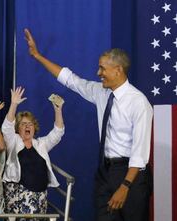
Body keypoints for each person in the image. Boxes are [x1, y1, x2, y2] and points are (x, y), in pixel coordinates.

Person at [24, 29, 152, 220]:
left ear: (118, 70)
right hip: (105, 173)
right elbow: (71, 80)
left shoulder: (138, 103)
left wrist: (125, 187)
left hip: (130, 176)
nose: (97, 73)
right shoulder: (101, 92)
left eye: (102, 69)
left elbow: (140, 154)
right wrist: (37, 56)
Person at [1, 87, 65, 216]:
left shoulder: (41, 144)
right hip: (18, 194)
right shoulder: (13, 141)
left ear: (34, 128)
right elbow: (7, 127)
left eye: (30, 124)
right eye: (23, 124)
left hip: (40, 196)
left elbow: (58, 133)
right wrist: (14, 104)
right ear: (18, 128)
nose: (27, 126)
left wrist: (58, 111)